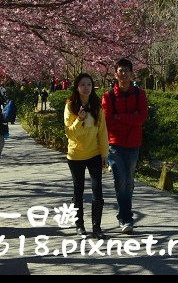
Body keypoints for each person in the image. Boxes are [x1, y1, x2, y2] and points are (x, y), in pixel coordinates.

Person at [101, 58, 148, 234]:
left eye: (127, 70)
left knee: (128, 182)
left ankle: (126, 214)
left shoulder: (139, 94)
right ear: (116, 74)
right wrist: (130, 118)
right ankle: (125, 218)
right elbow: (108, 122)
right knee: (120, 181)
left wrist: (120, 117)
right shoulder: (108, 96)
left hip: (133, 144)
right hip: (115, 145)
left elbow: (141, 118)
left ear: (131, 73)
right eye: (121, 71)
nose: (124, 74)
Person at [65, 73, 109, 239]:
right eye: (82, 85)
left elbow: (103, 131)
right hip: (76, 155)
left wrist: (104, 153)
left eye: (89, 84)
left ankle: (97, 227)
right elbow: (69, 133)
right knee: (79, 189)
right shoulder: (70, 106)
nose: (86, 88)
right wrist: (79, 119)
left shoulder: (97, 106)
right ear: (77, 87)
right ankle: (79, 224)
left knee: (97, 190)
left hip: (94, 154)